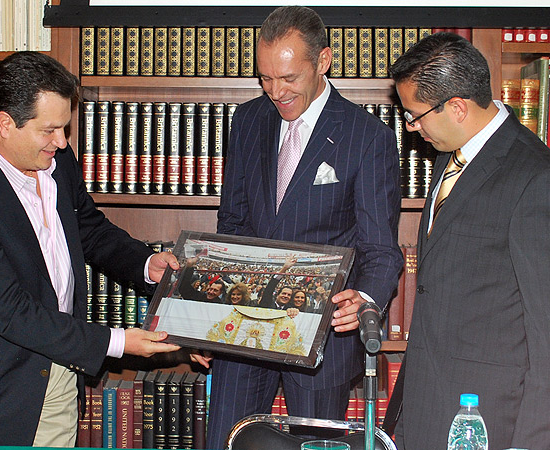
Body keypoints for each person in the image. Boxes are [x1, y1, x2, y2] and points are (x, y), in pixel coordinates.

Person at [0, 51, 185, 447]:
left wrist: (146, 264)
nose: (62, 142)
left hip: (61, 368)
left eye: (64, 127)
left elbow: (87, 228)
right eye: (50, 130)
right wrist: (117, 342)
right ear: (5, 123)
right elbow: (11, 312)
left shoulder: (55, 157)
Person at [209, 6, 403, 448]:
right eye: (265, 78)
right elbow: (232, 224)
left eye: (288, 78)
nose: (275, 91)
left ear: (323, 61)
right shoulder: (247, 120)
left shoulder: (367, 136)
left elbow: (380, 249)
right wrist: (209, 315)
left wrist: (367, 299)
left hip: (323, 339)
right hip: (242, 329)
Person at [384, 32, 550, 450]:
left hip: (487, 419)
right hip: (424, 402)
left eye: (415, 115)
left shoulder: (535, 176)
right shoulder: (449, 156)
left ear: (457, 107)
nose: (412, 127)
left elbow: (545, 332)